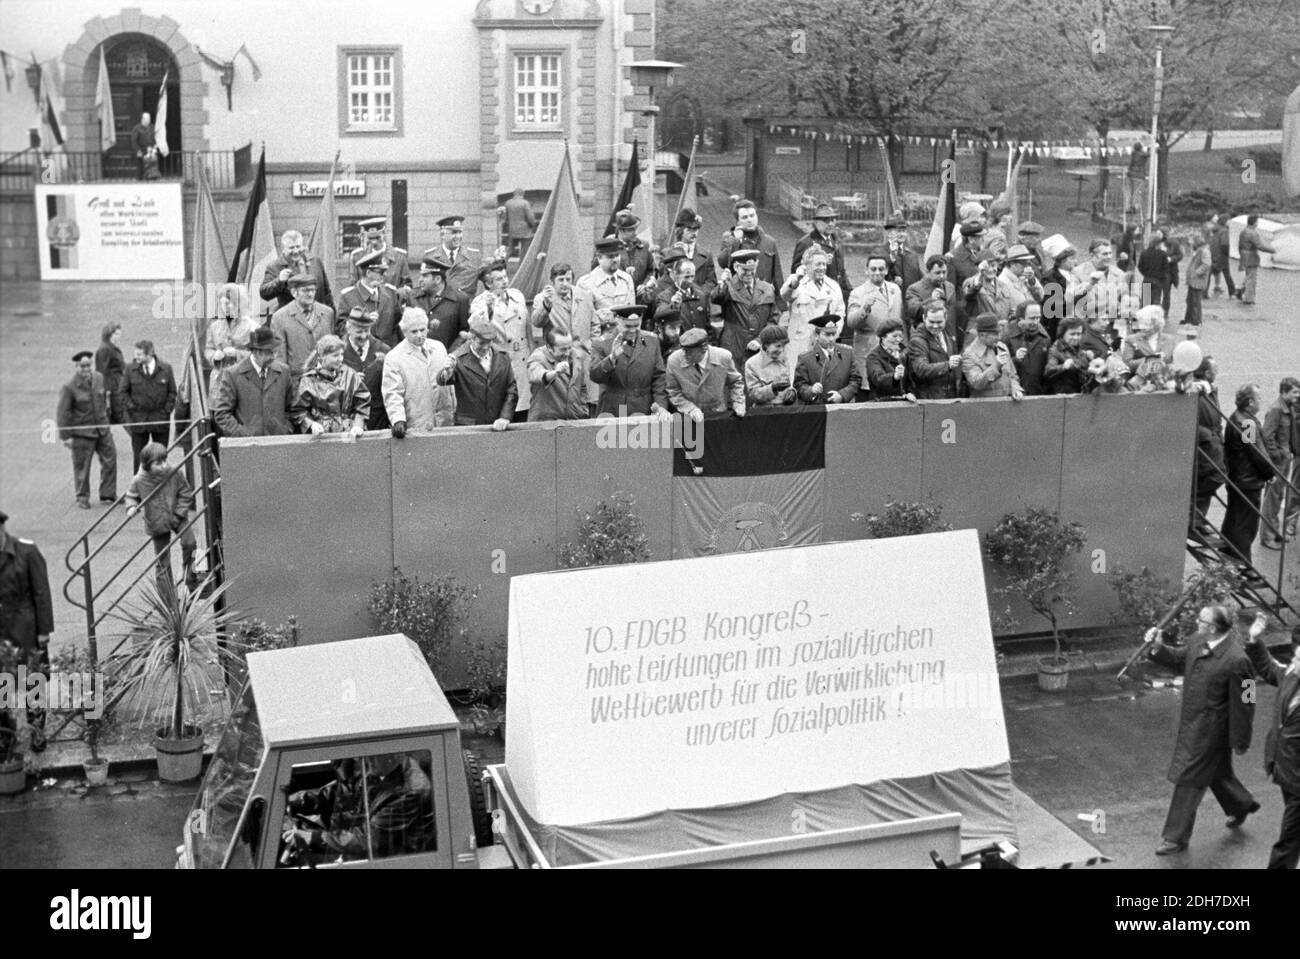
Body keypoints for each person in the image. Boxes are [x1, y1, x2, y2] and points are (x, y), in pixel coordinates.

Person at [1146, 605, 1258, 856]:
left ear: (1213, 627)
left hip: (1211, 731)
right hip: (1192, 723)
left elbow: (1248, 701)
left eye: (1201, 619)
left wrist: (1241, 739)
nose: (1197, 622)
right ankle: (1241, 804)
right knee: (1216, 772)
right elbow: (1178, 659)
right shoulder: (1198, 641)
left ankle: (1175, 837)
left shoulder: (1239, 660)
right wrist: (1157, 647)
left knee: (1190, 777)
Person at [281, 753, 433, 865]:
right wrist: (297, 802)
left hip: (395, 859)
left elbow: (369, 840)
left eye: (372, 756)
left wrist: (313, 837)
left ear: (393, 752)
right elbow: (347, 793)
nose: (366, 759)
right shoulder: (382, 767)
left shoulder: (409, 791)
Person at [1242, 619, 1300, 868]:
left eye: (1299, 660)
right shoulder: (1292, 675)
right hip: (1286, 769)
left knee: (1288, 840)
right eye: (1296, 658)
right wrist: (1254, 640)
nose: (1294, 664)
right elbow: (1269, 669)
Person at [0, 510, 54, 752]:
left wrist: (44, 631)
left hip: (26, 627)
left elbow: (41, 593)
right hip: (2, 631)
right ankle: (6, 732)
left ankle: (37, 729)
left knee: (33, 678)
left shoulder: (27, 551)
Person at [124, 442, 198, 594]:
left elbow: (186, 493)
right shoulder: (139, 480)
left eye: (165, 460)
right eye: (158, 463)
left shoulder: (174, 473)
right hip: (157, 521)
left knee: (190, 543)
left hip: (177, 515)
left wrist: (178, 513)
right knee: (163, 561)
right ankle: (167, 597)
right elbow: (131, 495)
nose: (164, 466)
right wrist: (131, 507)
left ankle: (191, 581)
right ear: (147, 465)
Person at [1223, 383, 1279, 562]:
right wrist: (1270, 473)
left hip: (1238, 479)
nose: (1261, 402)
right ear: (1250, 402)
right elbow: (1256, 452)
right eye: (1258, 398)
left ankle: (1230, 556)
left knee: (1235, 520)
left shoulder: (1237, 417)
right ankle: (1243, 563)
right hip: (1248, 482)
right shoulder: (1247, 423)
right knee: (1246, 525)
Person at [470, 259, 531, 419]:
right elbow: (476, 326)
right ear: (489, 284)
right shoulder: (481, 301)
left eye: (505, 277)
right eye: (499, 279)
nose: (504, 281)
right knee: (504, 405)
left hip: (521, 359)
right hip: (500, 360)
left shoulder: (517, 295)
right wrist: (488, 309)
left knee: (523, 408)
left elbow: (526, 327)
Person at [57, 351, 117, 508]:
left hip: (102, 429)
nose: (86, 369)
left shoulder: (99, 378)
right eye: (82, 366)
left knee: (110, 460)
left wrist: (106, 419)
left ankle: (108, 494)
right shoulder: (69, 387)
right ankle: (82, 497)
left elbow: (103, 400)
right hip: (82, 433)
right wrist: (66, 437)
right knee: (82, 465)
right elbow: (63, 413)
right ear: (76, 366)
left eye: (88, 365)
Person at [588, 305, 670, 419]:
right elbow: (595, 376)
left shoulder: (652, 341)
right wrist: (611, 358)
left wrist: (660, 406)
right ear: (617, 322)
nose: (632, 330)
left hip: (643, 410)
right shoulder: (602, 343)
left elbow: (659, 377)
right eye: (627, 326)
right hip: (612, 411)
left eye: (636, 326)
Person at [212, 326, 296, 437]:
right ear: (255, 352)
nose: (272, 357)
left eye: (273, 352)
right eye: (268, 353)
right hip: (247, 448)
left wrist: (286, 429)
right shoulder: (233, 375)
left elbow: (292, 408)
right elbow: (222, 414)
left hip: (278, 445)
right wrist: (242, 434)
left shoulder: (284, 372)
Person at [436, 318, 518, 429]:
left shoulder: (502, 356)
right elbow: (442, 381)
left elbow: (511, 389)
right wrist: (447, 372)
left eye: (489, 342)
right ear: (472, 339)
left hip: (497, 425)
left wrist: (505, 417)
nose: (485, 347)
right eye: (481, 343)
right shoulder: (458, 358)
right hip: (468, 428)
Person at [382, 308, 453, 435]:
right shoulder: (394, 357)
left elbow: (448, 383)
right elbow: (392, 393)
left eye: (423, 330)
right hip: (417, 422)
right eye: (414, 332)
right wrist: (398, 419)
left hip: (445, 421)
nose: (420, 335)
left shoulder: (439, 348)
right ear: (404, 332)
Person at [292, 335, 371, 437]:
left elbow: (363, 403)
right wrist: (311, 424)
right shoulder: (308, 380)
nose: (340, 359)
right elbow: (298, 411)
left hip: (348, 434)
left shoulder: (350, 375)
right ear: (322, 356)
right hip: (321, 436)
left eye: (342, 354)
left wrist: (358, 425)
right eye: (335, 355)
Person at [713, 248, 778, 371]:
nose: (749, 273)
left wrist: (760, 340)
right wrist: (722, 283)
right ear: (736, 267)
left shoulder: (767, 288)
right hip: (733, 347)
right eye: (744, 270)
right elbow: (716, 298)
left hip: (758, 350)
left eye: (752, 270)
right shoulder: (728, 286)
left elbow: (773, 320)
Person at [665, 327, 745, 420]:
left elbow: (736, 382)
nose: (684, 355)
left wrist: (738, 403)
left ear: (704, 349)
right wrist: (690, 409)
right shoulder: (674, 360)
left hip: (717, 415)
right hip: (688, 417)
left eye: (689, 351)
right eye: (683, 350)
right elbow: (673, 391)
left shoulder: (723, 357)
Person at [781, 247, 844, 361]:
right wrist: (796, 279)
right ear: (807, 265)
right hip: (799, 343)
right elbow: (785, 295)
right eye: (818, 264)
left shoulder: (833, 286)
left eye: (824, 264)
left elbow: (840, 313)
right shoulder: (796, 282)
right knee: (798, 377)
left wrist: (834, 334)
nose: (822, 268)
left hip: (825, 344)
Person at [270, 274, 334, 386]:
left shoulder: (327, 313)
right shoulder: (279, 317)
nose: (310, 294)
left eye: (313, 290)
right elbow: (279, 358)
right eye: (305, 290)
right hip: (296, 385)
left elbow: (333, 349)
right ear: (294, 293)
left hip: (325, 384)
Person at [1260, 378, 1300, 549]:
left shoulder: (1288, 408)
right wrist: (1277, 456)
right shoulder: (1276, 410)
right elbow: (1267, 436)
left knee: (1278, 497)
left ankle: (1275, 532)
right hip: (1278, 462)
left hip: (1284, 460)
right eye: (1294, 392)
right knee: (1272, 499)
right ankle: (1267, 537)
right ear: (1284, 392)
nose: (1298, 395)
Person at [845, 252, 902, 364]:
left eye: (881, 269)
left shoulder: (895, 289)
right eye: (873, 269)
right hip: (868, 351)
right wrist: (864, 308)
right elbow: (851, 322)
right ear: (867, 271)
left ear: (886, 270)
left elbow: (900, 318)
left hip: (893, 349)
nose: (877, 272)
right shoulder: (857, 293)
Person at [340, 308, 391, 432]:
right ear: (349, 329)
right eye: (359, 331)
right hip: (348, 424)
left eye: (366, 331)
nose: (363, 336)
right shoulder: (338, 352)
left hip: (378, 421)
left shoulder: (384, 350)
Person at [260, 229, 334, 313]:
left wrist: (333, 319)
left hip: (318, 318)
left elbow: (327, 293)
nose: (295, 251)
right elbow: (264, 293)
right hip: (292, 320)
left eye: (298, 246)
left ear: (303, 246)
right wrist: (279, 281)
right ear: (283, 249)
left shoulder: (316, 262)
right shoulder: (274, 266)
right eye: (291, 248)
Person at [337, 250, 401, 346]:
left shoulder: (390, 293)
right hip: (361, 353)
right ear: (368, 273)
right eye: (381, 272)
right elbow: (340, 329)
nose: (384, 275)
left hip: (387, 353)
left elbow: (397, 326)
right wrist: (361, 321)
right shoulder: (348, 296)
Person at [793, 314, 861, 405]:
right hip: (817, 411)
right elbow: (799, 386)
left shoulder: (848, 353)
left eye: (834, 334)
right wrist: (811, 390)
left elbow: (856, 380)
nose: (831, 339)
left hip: (842, 409)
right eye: (827, 335)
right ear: (817, 335)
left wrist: (842, 395)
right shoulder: (806, 358)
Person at [717, 198, 783, 290]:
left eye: (752, 215)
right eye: (745, 217)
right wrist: (736, 242)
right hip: (739, 298)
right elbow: (722, 262)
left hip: (764, 298)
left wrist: (780, 302)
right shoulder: (730, 239)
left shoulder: (769, 242)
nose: (750, 220)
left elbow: (778, 278)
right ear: (737, 222)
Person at [205, 284, 258, 397]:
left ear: (237, 303)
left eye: (228, 303)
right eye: (222, 304)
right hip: (219, 382)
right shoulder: (215, 327)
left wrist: (237, 353)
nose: (225, 307)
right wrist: (214, 355)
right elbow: (208, 349)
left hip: (244, 380)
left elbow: (258, 354)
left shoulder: (251, 326)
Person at [791, 204, 851, 303]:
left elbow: (842, 271)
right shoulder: (806, 242)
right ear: (816, 222)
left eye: (833, 219)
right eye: (826, 220)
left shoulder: (836, 240)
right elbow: (797, 272)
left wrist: (849, 291)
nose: (831, 223)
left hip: (838, 294)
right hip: (818, 298)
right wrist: (820, 263)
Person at [411, 253, 470, 352]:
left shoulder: (460, 299)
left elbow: (464, 332)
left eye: (425, 276)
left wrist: (451, 354)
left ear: (437, 279)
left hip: (447, 358)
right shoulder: (413, 297)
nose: (420, 280)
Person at [526, 329, 589, 422]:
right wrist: (555, 373)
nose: (567, 353)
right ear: (549, 348)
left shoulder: (576, 356)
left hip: (573, 421)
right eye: (563, 349)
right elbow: (535, 375)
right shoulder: (538, 357)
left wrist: (583, 409)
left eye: (569, 347)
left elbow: (582, 387)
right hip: (545, 423)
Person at [962, 313, 1023, 400]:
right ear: (982, 335)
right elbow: (976, 383)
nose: (999, 337)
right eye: (994, 334)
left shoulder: (1002, 347)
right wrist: (996, 365)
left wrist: (1016, 389)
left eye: (999, 333)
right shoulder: (969, 355)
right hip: (984, 407)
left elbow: (1012, 375)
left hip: (1007, 404)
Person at [907, 302, 960, 400]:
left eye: (939, 322)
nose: (935, 326)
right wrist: (947, 365)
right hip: (929, 399)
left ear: (946, 318)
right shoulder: (917, 341)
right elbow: (921, 369)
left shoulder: (948, 334)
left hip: (950, 396)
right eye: (931, 322)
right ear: (924, 318)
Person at [654, 249, 711, 334]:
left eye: (692, 276)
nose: (690, 281)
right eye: (686, 277)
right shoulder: (664, 297)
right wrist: (672, 306)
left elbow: (708, 325)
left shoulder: (700, 295)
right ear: (675, 275)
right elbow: (659, 314)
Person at [905, 254, 959, 341]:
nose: (941, 276)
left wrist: (953, 336)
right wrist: (931, 300)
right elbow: (913, 312)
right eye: (937, 273)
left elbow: (953, 315)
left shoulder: (950, 287)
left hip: (948, 338)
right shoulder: (914, 289)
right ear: (927, 272)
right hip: (926, 338)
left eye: (944, 272)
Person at [347, 217, 410, 289]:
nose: (374, 241)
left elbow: (407, 286)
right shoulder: (357, 257)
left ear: (384, 233)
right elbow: (352, 287)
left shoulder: (399, 257)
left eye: (377, 237)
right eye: (370, 238)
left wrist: (395, 294)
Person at [1005, 302, 1052, 396]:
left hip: (1038, 394)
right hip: (1014, 394)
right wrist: (1015, 359)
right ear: (1021, 318)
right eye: (1032, 318)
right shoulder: (1007, 335)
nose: (1036, 322)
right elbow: (999, 366)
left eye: (1038, 317)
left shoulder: (1045, 338)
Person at [744, 325, 797, 407]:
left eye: (783, 346)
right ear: (766, 345)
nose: (781, 350)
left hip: (784, 411)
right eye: (778, 346)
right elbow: (753, 395)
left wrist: (791, 392)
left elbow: (787, 384)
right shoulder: (752, 364)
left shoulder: (784, 360)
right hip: (764, 413)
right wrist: (772, 388)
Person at [431, 215, 482, 298]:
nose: (458, 236)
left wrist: (499, 260)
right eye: (454, 233)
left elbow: (490, 277)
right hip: (440, 307)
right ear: (442, 235)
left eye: (460, 232)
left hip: (466, 308)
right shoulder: (431, 257)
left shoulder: (474, 256)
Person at [864, 318, 914, 402]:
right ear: (883, 337)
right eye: (894, 336)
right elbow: (878, 379)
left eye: (900, 336)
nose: (898, 340)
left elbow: (910, 380)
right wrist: (894, 377)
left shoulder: (904, 354)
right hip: (881, 403)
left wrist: (910, 393)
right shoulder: (873, 357)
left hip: (904, 403)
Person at [670, 208, 716, 297]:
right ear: (680, 231)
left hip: (700, 301)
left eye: (696, 229)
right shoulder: (669, 254)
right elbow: (665, 282)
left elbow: (711, 282)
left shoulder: (706, 255)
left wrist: (698, 294)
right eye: (689, 229)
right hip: (676, 300)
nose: (693, 233)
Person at [1238, 212, 1276, 306]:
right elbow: (1260, 246)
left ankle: (1240, 290)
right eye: (1257, 221)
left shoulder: (1244, 231)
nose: (1258, 223)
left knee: (1248, 275)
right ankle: (1248, 299)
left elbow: (1240, 244)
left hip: (1244, 255)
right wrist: (1272, 250)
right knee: (1252, 278)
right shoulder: (1253, 233)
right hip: (1251, 256)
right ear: (1254, 222)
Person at [1045, 319, 1090, 395]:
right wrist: (1063, 367)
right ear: (1062, 334)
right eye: (1072, 334)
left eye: (1078, 334)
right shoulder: (1055, 350)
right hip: (1061, 398)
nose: (1076, 338)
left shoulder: (1081, 350)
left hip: (1079, 396)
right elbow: (1048, 371)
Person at [95, 322, 126, 426]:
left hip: (116, 386)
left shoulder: (111, 348)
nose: (118, 337)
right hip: (112, 390)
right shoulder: (105, 349)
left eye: (119, 334)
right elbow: (101, 371)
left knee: (121, 417)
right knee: (121, 417)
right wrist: (106, 391)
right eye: (116, 334)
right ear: (109, 334)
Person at [1137, 230, 1171, 310]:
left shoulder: (1144, 253)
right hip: (1157, 281)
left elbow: (1140, 267)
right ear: (1158, 244)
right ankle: (1154, 319)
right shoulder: (1163, 254)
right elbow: (1166, 269)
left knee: (1145, 302)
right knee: (1156, 302)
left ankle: (1145, 319)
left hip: (1147, 279)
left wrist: (1145, 274)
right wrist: (1161, 277)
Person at [1183, 234, 1211, 327]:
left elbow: (1206, 264)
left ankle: (1196, 321)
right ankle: (1189, 319)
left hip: (1198, 281)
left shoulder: (1204, 251)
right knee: (1190, 300)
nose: (1191, 244)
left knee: (1195, 302)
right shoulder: (1199, 251)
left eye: (1192, 242)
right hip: (1193, 281)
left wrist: (1197, 272)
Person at [503, 188, 537, 259]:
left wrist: (508, 227)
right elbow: (530, 217)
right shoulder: (525, 203)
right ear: (522, 194)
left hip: (512, 230)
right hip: (525, 230)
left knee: (510, 249)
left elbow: (505, 218)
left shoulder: (508, 203)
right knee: (524, 251)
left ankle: (503, 264)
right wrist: (533, 225)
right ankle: (521, 267)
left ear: (514, 194)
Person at [1209, 212, 1236, 299]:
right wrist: (1227, 254)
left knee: (1210, 273)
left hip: (1214, 254)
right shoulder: (1224, 231)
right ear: (1225, 221)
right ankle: (1232, 292)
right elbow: (1224, 244)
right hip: (1222, 255)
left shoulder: (1215, 229)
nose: (1230, 222)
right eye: (1229, 220)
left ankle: (1204, 292)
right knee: (1227, 275)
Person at [130, 112, 158, 180]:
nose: (149, 120)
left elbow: (157, 138)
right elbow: (134, 141)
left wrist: (155, 147)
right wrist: (138, 151)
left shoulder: (152, 127)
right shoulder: (137, 128)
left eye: (149, 118)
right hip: (142, 152)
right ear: (142, 119)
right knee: (141, 170)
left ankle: (153, 179)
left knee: (153, 169)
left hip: (151, 151)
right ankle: (140, 181)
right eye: (147, 119)